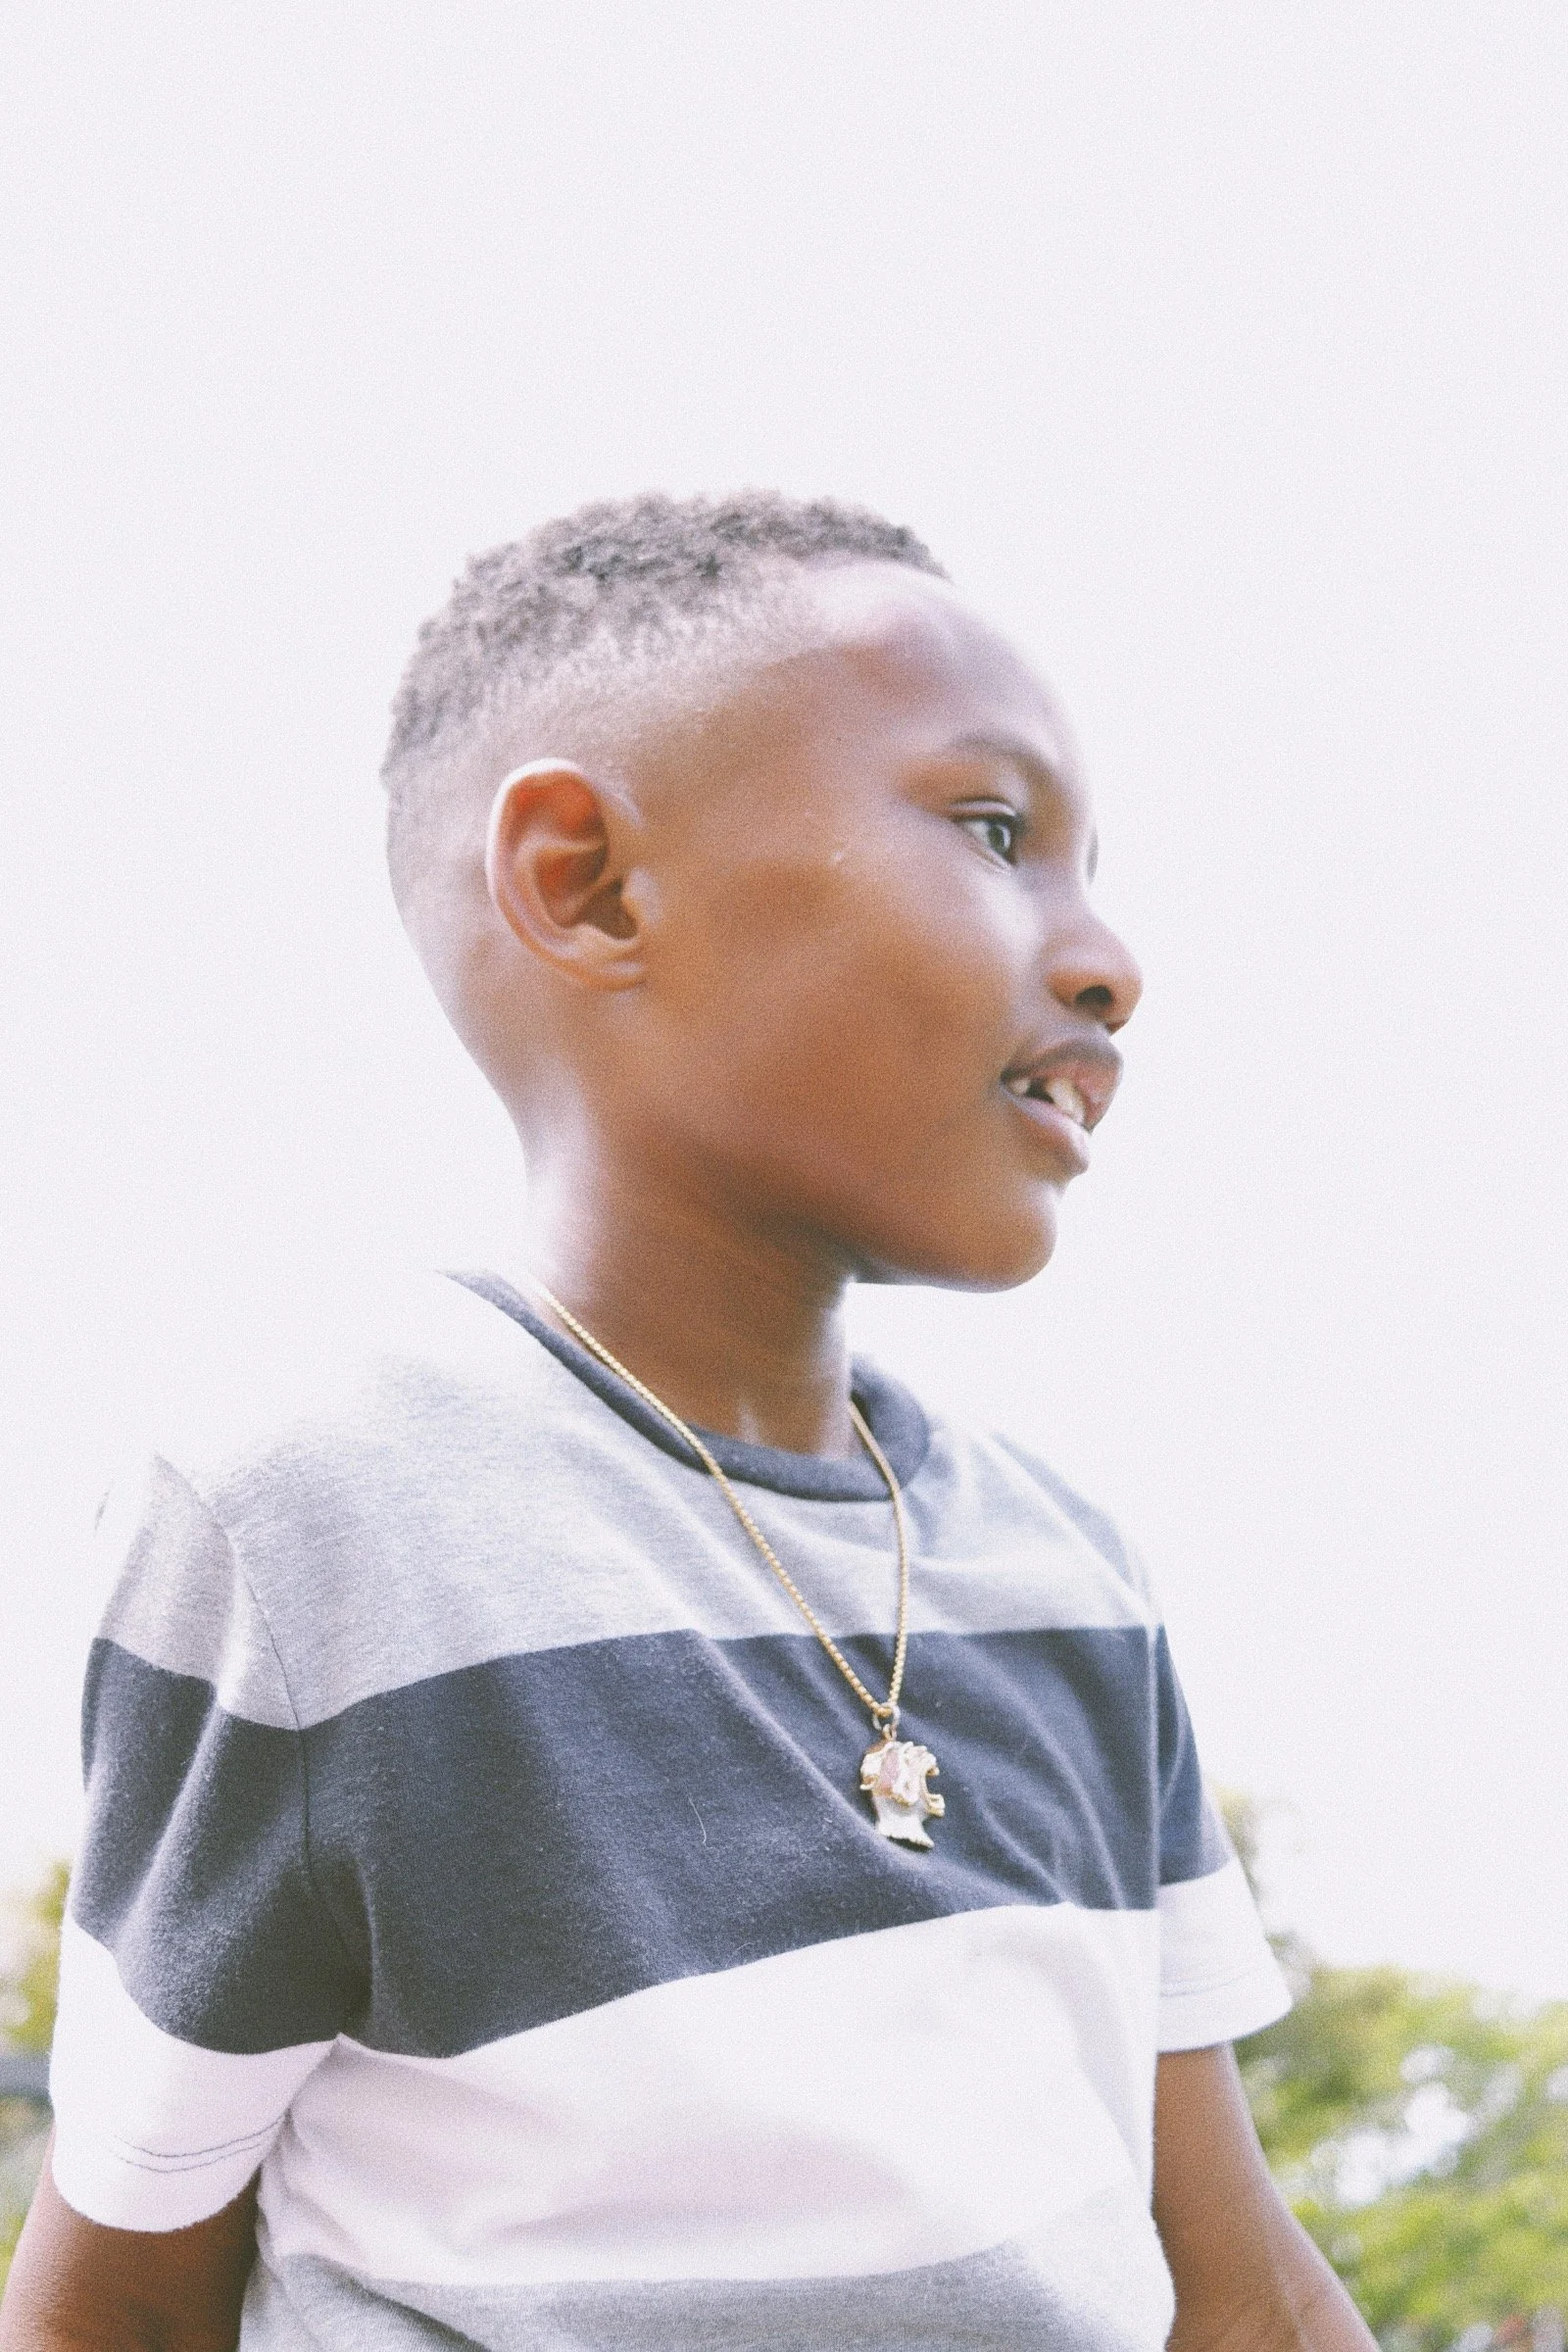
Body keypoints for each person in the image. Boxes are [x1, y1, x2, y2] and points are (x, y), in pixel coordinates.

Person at [0, 494, 1376, 2351]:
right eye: (994, 831)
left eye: (1088, 866)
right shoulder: (309, 1516)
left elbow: (1239, 2288)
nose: (1107, 957)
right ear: (588, 884)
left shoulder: (1066, 1569)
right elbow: (120, 2302)